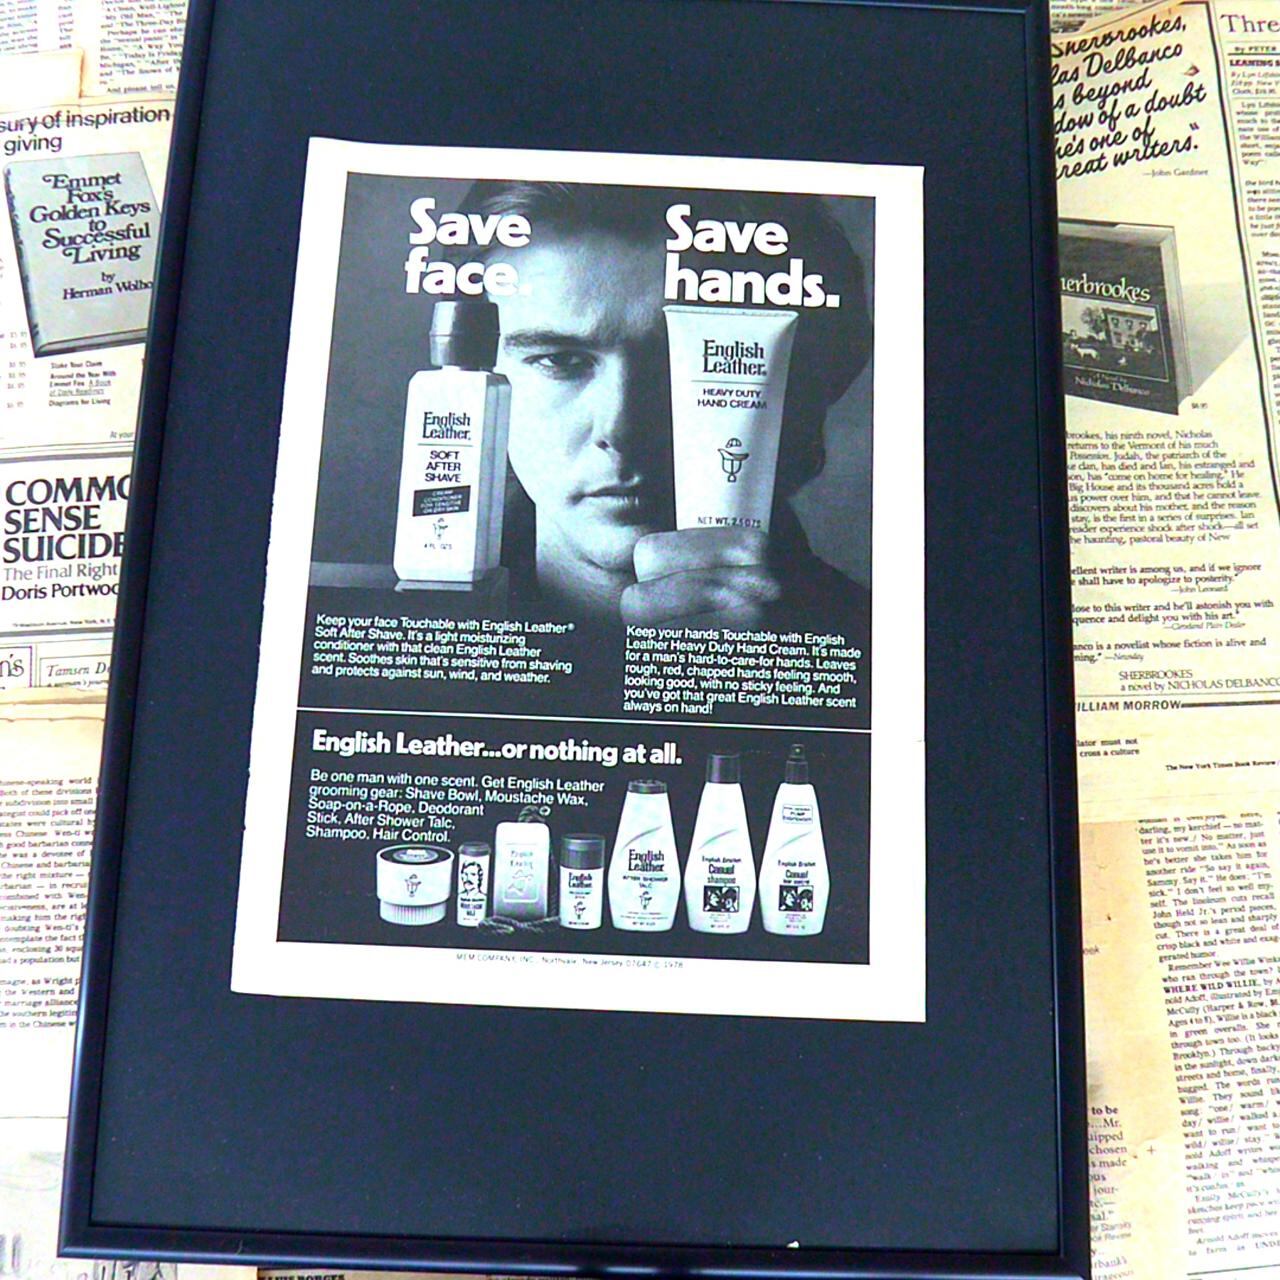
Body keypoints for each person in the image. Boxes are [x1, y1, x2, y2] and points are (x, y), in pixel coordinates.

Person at [454, 180, 872, 634]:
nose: (621, 429)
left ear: (806, 379)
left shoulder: (886, 647)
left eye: (680, 361)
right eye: (560, 361)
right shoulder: (422, 622)